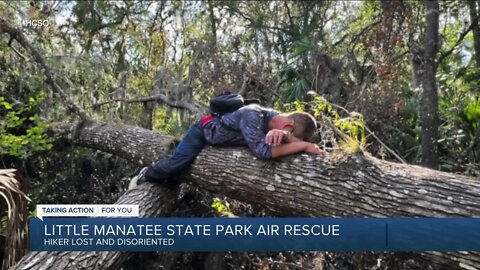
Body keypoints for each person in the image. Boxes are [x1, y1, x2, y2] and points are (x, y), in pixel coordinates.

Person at [130, 102, 322, 188]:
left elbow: (276, 140)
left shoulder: (275, 121)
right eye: (292, 135)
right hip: (204, 131)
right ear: (288, 125)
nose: (290, 138)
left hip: (225, 135)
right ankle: (146, 174)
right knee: (176, 163)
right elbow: (263, 151)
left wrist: (288, 138)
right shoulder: (253, 114)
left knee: (175, 172)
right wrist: (303, 147)